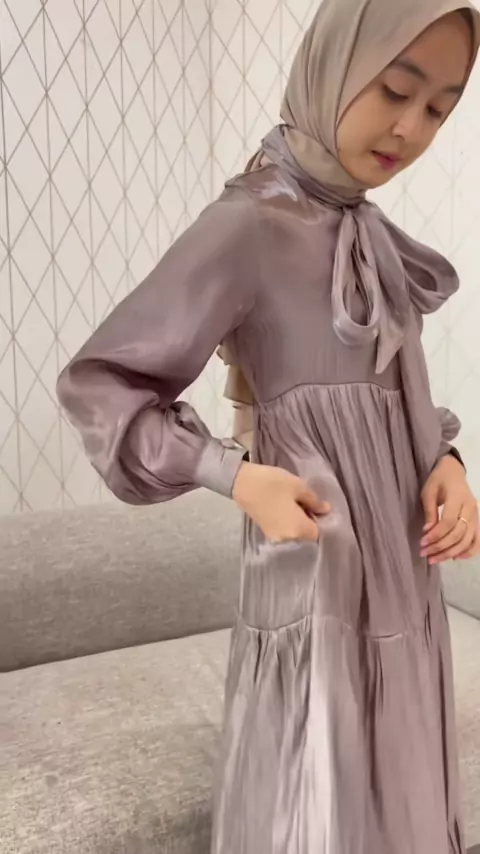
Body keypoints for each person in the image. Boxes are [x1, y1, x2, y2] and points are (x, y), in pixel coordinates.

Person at [57, 1, 480, 851]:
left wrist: (447, 462)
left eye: (439, 107)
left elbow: (396, 388)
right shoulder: (249, 223)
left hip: (402, 558)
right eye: (395, 89)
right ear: (332, 67)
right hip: (315, 554)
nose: (411, 128)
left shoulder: (367, 232)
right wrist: (233, 474)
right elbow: (101, 384)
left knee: (396, 767)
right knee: (311, 793)